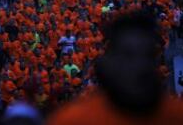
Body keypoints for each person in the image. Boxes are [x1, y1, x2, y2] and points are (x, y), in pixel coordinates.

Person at [48, 10, 183, 125]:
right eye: (128, 55)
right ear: (110, 60)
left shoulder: (176, 116)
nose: (139, 65)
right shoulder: (73, 120)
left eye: (148, 55)